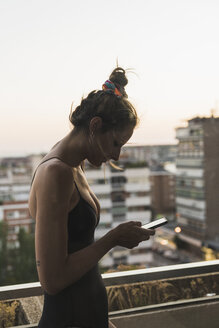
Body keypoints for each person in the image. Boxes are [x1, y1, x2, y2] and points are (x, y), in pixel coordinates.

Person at [28, 67, 155, 328]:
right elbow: (52, 280)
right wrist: (113, 239)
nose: (117, 156)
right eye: (116, 143)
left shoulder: (75, 165)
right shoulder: (56, 173)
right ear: (95, 126)